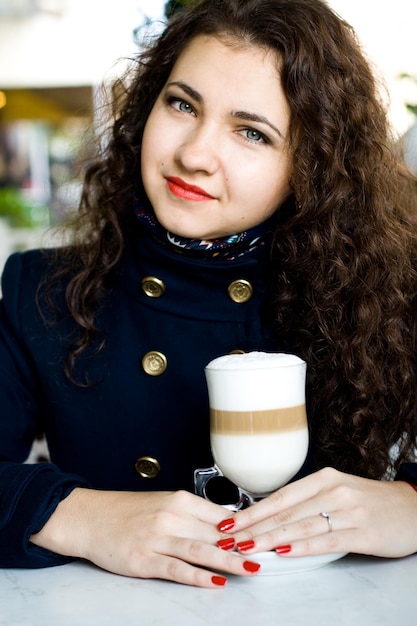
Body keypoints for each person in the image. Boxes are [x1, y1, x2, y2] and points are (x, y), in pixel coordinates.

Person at [1, 0, 417, 589]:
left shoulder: (384, 291)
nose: (194, 154)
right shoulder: (42, 291)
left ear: (314, 166)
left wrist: (411, 503)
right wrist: (81, 516)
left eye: (251, 132)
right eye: (182, 104)